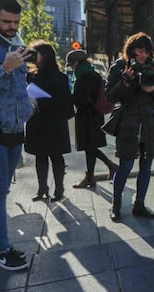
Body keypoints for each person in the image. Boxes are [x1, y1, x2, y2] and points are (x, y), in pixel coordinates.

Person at [105, 32, 154, 221]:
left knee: (146, 166)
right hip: (128, 123)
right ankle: (116, 205)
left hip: (149, 123)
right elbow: (110, 97)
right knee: (125, 165)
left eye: (146, 52)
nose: (143, 55)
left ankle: (139, 204)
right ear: (131, 50)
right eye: (140, 50)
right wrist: (125, 80)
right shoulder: (119, 67)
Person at [0, 0, 35, 270]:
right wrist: (4, 68)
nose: (12, 27)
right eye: (6, 21)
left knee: (3, 190)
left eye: (16, 22)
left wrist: (28, 104)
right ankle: (1, 249)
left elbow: (17, 87)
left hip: (14, 130)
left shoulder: (16, 45)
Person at [24, 40, 71, 202]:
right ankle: (42, 188)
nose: (31, 57)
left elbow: (65, 103)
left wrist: (40, 103)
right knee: (40, 156)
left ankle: (59, 189)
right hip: (36, 122)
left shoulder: (60, 77)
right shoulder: (30, 76)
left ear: (45, 56)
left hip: (54, 123)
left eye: (34, 53)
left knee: (56, 157)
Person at [66, 49, 118, 188]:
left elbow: (82, 99)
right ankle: (106, 168)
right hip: (94, 116)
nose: (71, 67)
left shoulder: (85, 76)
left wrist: (68, 97)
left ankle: (91, 177)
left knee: (90, 147)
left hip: (88, 117)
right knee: (91, 147)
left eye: (71, 64)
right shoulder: (92, 73)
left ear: (77, 62)